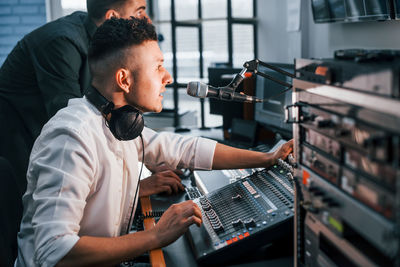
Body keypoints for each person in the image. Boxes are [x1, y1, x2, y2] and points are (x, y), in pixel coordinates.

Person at [15, 17, 293, 266]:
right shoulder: (71, 137)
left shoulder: (118, 122)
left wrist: (267, 157)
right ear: (124, 79)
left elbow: (184, 149)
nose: (167, 78)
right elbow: (55, 251)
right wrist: (156, 236)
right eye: (158, 67)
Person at [0, 0, 151, 199]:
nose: (147, 20)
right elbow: (75, 126)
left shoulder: (102, 43)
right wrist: (133, 187)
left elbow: (106, 113)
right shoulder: (61, 42)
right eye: (139, 12)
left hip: (39, 131)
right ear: (112, 17)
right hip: (16, 136)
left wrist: (150, 162)